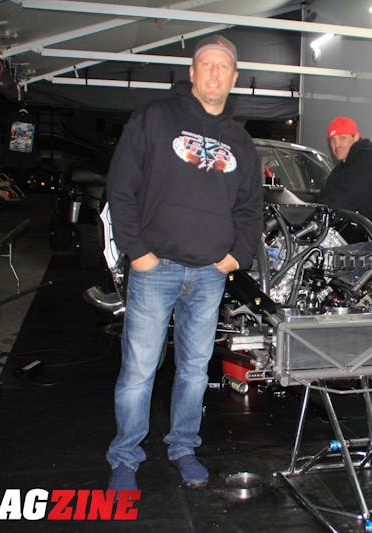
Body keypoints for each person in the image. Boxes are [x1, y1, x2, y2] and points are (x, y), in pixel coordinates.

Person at [105, 34, 263, 492]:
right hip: (156, 269)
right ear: (192, 72)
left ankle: (183, 447)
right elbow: (121, 188)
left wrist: (236, 257)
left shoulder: (241, 143)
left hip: (210, 275)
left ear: (234, 78)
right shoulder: (155, 118)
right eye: (206, 64)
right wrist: (138, 252)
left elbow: (250, 210)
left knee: (195, 370)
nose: (215, 73)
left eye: (223, 67)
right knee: (140, 370)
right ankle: (125, 458)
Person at [318, 116, 372, 229]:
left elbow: (346, 198)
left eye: (342, 138)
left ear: (355, 137)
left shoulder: (370, 158)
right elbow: (326, 197)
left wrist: (319, 213)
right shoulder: (341, 170)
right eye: (333, 140)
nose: (337, 145)